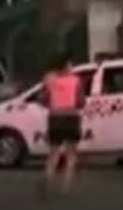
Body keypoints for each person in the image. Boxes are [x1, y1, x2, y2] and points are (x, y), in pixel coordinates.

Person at [38, 57, 88, 199]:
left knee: (53, 153)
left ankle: (48, 177)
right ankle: (65, 188)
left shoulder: (49, 79)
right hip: (71, 117)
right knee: (71, 154)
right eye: (70, 64)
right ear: (66, 65)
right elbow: (81, 101)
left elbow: (42, 98)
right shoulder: (75, 80)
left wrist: (53, 103)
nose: (71, 66)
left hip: (55, 117)